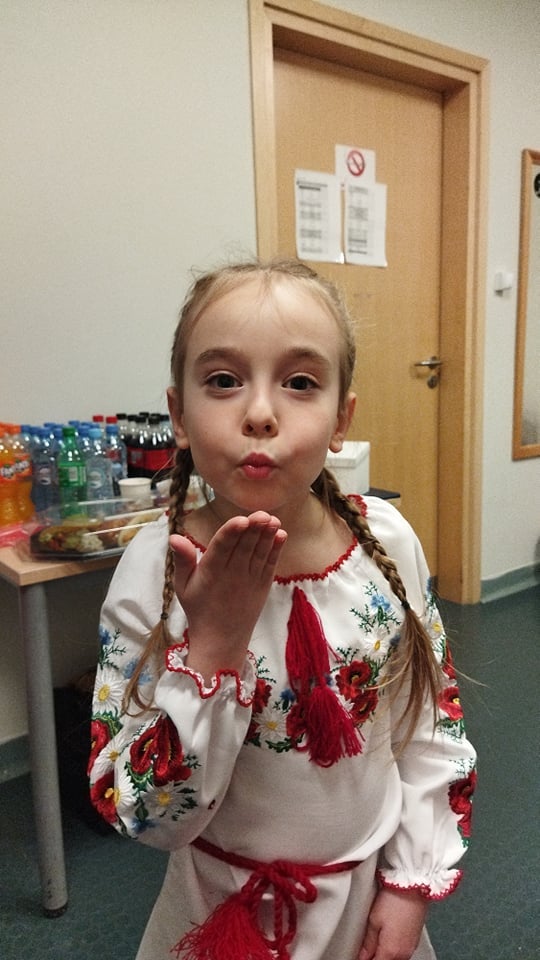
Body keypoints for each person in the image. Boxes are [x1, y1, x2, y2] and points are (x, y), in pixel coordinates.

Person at [89, 258, 477, 960]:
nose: (261, 413)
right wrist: (211, 651)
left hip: (363, 901)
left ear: (341, 418)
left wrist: (410, 884)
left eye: (300, 382)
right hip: (216, 909)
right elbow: (142, 814)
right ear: (178, 415)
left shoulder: (387, 542)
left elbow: (427, 725)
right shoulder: (156, 568)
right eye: (223, 380)